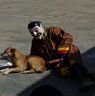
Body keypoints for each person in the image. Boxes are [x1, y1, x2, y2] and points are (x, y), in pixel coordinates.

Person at [28, 21, 95, 90]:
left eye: (36, 30)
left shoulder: (53, 31)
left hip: (67, 55)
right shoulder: (35, 42)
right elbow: (34, 55)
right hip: (56, 63)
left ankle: (85, 79)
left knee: (72, 50)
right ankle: (88, 76)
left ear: (41, 27)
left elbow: (67, 37)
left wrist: (62, 53)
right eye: (31, 33)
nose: (34, 34)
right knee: (62, 72)